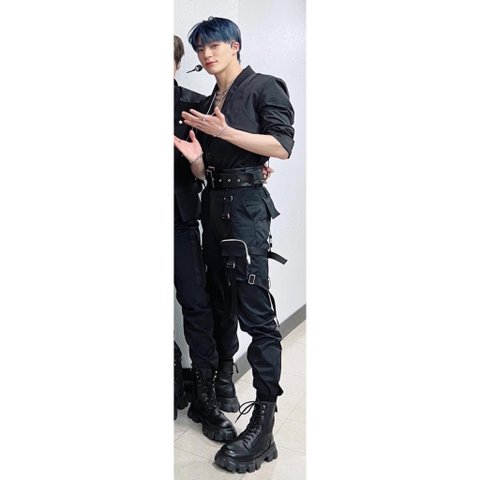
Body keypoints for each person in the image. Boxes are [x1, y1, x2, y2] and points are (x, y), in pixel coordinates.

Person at [173, 17, 295, 473]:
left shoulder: (264, 86)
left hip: (245, 211)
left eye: (215, 46)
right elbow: (209, 168)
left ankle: (264, 426)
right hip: (213, 205)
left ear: (235, 45)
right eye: (201, 49)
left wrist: (225, 133)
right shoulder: (207, 102)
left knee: (256, 314)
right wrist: (197, 160)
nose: (207, 55)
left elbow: (281, 145)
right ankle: (222, 384)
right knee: (219, 302)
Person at [173, 34, 237, 441]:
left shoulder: (195, 106)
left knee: (197, 304)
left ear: (176, 63)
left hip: (179, 220)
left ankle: (206, 395)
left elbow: (217, 161)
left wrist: (257, 167)